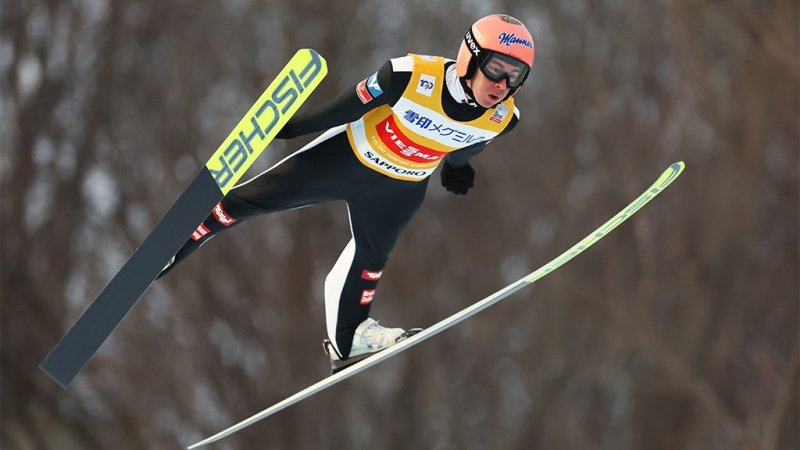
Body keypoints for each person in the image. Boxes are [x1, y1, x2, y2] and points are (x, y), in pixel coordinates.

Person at [158, 14, 535, 363]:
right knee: (246, 202)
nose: (502, 85)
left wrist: (457, 166)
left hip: (402, 188)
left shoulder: (504, 118)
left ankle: (348, 336)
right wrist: (286, 126)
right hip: (347, 160)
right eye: (496, 69)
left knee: (372, 259)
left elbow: (468, 142)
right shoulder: (409, 75)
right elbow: (346, 108)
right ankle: (173, 245)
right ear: (470, 58)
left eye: (514, 76)